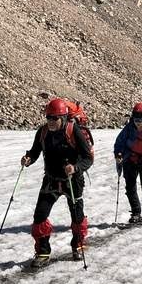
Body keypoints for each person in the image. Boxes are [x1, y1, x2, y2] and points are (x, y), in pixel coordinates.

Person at [21, 98, 94, 268]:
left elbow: (88, 158)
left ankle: (77, 245)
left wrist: (75, 168)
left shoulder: (73, 130)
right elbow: (35, 151)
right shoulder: (43, 132)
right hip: (51, 180)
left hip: (72, 180)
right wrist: (28, 159)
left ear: (63, 117)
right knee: (39, 216)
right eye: (48, 118)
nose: (51, 122)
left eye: (54, 118)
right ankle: (43, 252)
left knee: (77, 216)